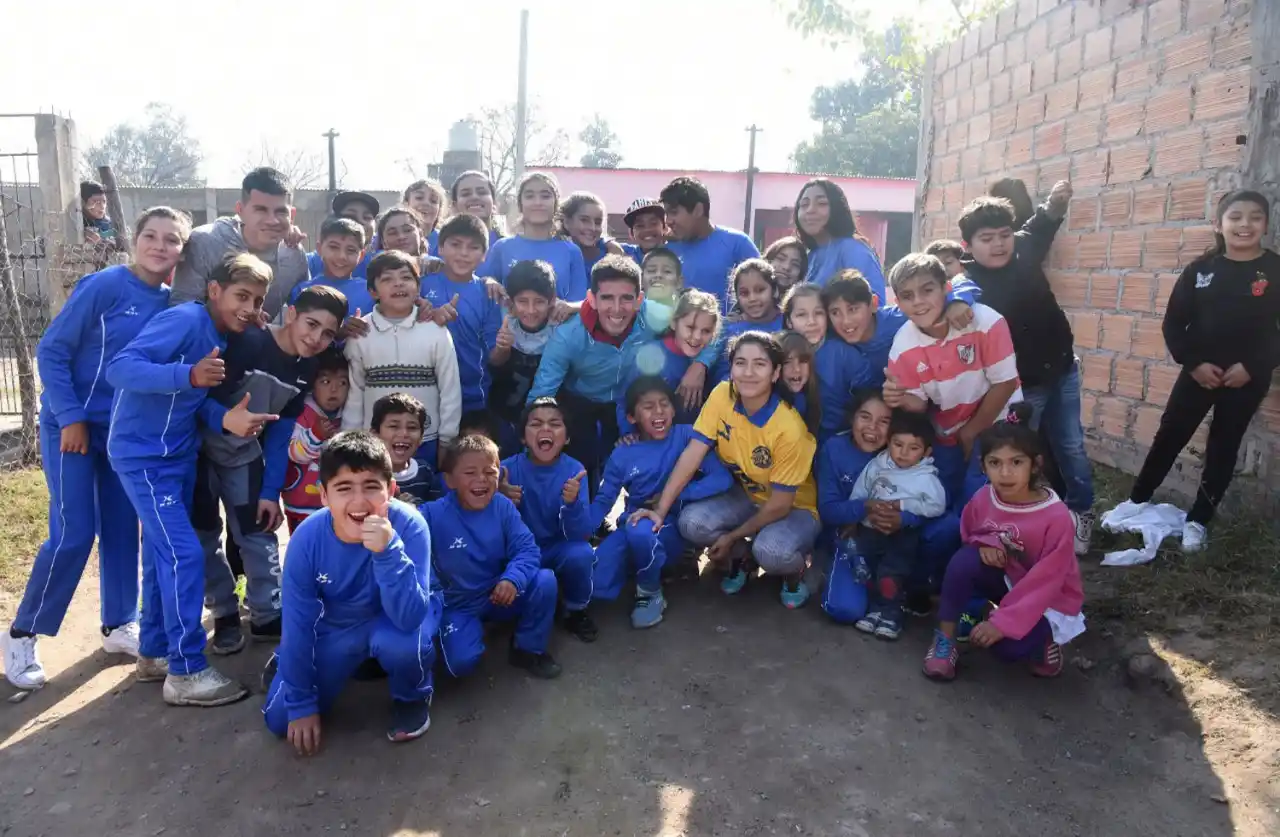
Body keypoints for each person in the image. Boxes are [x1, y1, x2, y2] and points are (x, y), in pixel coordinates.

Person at [4, 207, 190, 691]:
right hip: (73, 429)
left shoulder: (172, 303)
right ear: (135, 239)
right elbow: (53, 351)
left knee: (122, 528)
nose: (159, 245)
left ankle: (118, 624)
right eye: (151, 235)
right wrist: (71, 417)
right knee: (73, 531)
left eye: (171, 239)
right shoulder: (104, 286)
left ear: (182, 250)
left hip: (124, 436)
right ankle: (22, 633)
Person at [106, 253, 279, 706]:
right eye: (241, 295)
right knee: (184, 555)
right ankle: (185, 672)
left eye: (258, 299)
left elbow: (194, 401)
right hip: (144, 455)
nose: (250, 306)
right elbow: (121, 368)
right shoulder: (185, 319)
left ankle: (154, 652)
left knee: (161, 554)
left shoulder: (219, 333)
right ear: (214, 291)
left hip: (177, 454)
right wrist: (189, 373)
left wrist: (227, 421)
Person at [1108, 190, 1280, 552]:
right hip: (1198, 373)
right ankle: (1137, 500)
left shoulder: (1275, 270)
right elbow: (1174, 324)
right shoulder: (1201, 270)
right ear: (1218, 224)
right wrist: (1193, 363)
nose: (1244, 224)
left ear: (1266, 223)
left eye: (1254, 217)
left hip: (1246, 378)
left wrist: (1253, 366)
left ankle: (1199, 520)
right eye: (1235, 217)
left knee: (1223, 445)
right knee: (1171, 433)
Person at [262, 430, 441, 749]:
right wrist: (302, 703)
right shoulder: (306, 540)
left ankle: (411, 697)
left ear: (392, 490)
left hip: (393, 622)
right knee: (280, 720)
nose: (359, 502)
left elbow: (409, 617)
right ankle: (289, 664)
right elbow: (298, 623)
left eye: (372, 486)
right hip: (338, 627)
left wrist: (388, 553)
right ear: (324, 496)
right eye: (344, 488)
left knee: (403, 644)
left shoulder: (411, 525)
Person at [198, 283, 347, 655]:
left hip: (245, 456)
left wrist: (269, 493)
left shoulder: (308, 367)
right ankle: (226, 612)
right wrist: (224, 419)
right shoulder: (249, 343)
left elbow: (281, 431)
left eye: (328, 333)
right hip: (198, 452)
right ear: (292, 313)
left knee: (258, 532)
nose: (316, 338)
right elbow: (196, 398)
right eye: (311, 324)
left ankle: (267, 614)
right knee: (203, 537)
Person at [633, 332, 821, 608]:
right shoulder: (723, 394)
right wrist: (660, 509)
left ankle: (796, 570)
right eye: (740, 362)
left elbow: (781, 505)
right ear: (731, 368)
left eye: (759, 364)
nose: (748, 373)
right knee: (691, 523)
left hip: (795, 508)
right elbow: (693, 454)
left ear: (775, 373)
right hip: (748, 496)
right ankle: (742, 557)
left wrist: (730, 535)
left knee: (771, 551)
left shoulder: (788, 428)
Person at [957, 183, 1095, 554]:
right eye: (987, 238)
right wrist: (956, 303)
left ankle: (1081, 511)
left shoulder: (1026, 249)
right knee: (1020, 453)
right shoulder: (969, 282)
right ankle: (1021, 516)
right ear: (969, 245)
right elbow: (954, 291)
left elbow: (1042, 223)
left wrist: (1057, 202)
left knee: (1071, 446)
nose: (999, 244)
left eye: (1004, 235)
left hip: (1063, 371)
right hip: (1022, 387)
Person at [923, 403, 1084, 682]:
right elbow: (970, 531)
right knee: (964, 561)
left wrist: (1002, 623)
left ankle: (1047, 638)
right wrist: (986, 541)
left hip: (1049, 597)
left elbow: (1048, 579)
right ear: (982, 466)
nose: (1005, 473)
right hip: (1010, 578)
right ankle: (945, 641)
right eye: (995, 463)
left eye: (1016, 462)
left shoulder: (1057, 517)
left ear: (1036, 464)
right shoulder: (985, 497)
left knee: (1006, 649)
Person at [528, 255, 718, 491]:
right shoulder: (568, 336)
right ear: (592, 299)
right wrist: (532, 439)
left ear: (640, 299)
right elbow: (541, 393)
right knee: (581, 459)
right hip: (580, 400)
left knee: (621, 458)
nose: (617, 309)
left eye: (626, 298)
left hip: (626, 401)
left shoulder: (655, 314)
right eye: (607, 298)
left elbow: (714, 328)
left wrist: (700, 365)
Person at [884, 253, 1022, 511]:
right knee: (940, 497)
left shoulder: (985, 321)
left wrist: (972, 431)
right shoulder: (902, 345)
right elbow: (919, 405)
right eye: (907, 296)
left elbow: (1005, 383)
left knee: (979, 498)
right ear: (898, 302)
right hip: (948, 432)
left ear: (947, 288)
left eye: (927, 290)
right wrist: (900, 398)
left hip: (997, 422)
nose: (918, 302)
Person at [591, 377, 732, 628]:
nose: (658, 412)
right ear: (632, 417)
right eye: (648, 406)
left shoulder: (688, 437)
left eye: (664, 404)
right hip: (633, 524)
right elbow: (604, 499)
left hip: (675, 524)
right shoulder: (624, 451)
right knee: (594, 584)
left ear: (674, 409)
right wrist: (578, 530)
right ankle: (650, 566)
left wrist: (677, 494)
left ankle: (650, 593)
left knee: (641, 533)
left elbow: (722, 479)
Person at [422, 435, 563, 679]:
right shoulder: (430, 515)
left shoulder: (502, 506)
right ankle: (456, 637)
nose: (481, 479)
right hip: (457, 604)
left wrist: (512, 579)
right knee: (459, 665)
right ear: (449, 480)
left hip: (497, 594)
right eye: (470, 472)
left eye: (490, 471)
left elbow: (527, 549)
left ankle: (528, 648)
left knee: (545, 581)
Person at [819, 389, 962, 624]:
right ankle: (874, 590)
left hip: (904, 538)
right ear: (852, 418)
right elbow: (829, 509)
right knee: (844, 610)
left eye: (884, 421)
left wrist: (905, 519)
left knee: (947, 527)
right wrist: (864, 509)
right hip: (858, 537)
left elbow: (935, 505)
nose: (872, 429)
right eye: (865, 417)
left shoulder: (916, 459)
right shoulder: (836, 449)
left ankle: (911, 587)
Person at [342, 250, 461, 468]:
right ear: (372, 291)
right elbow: (355, 392)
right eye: (387, 279)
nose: (398, 284)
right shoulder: (361, 334)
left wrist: (447, 439)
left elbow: (449, 389)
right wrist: (351, 438)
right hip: (375, 443)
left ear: (418, 287)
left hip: (425, 441)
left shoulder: (435, 331)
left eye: (406, 278)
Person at [498, 398, 598, 642]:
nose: (545, 430)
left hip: (556, 547)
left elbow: (580, 533)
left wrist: (572, 504)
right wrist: (499, 499)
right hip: (518, 554)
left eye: (555, 424)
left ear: (567, 438)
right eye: (536, 424)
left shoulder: (575, 470)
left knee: (582, 553)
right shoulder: (505, 471)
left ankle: (575, 610)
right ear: (522, 438)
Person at [847, 410, 947, 641]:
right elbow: (860, 491)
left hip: (901, 535)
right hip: (869, 529)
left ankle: (892, 615)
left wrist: (903, 505)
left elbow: (936, 506)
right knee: (870, 570)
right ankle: (874, 611)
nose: (903, 453)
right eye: (898, 444)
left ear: (926, 452)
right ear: (888, 442)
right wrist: (856, 516)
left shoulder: (926, 477)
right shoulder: (877, 465)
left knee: (891, 575)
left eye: (913, 448)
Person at [170, 167, 307, 318]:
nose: (272, 220)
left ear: (292, 215)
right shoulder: (205, 242)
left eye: (281, 212)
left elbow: (306, 311)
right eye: (261, 210)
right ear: (240, 210)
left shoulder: (294, 253)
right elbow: (181, 311)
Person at [420, 214, 504, 413]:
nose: (464, 253)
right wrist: (431, 317)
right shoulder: (422, 284)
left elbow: (495, 357)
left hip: (472, 394)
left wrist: (504, 347)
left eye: (473, 247)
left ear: (484, 255)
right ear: (440, 248)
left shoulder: (488, 293)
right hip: (425, 391)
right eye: (455, 245)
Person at [617, 289, 721, 434]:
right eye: (690, 327)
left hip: (694, 438)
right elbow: (624, 400)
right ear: (673, 323)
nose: (697, 336)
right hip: (654, 440)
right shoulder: (651, 356)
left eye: (706, 331)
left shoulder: (708, 355)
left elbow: (724, 335)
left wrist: (701, 364)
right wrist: (629, 434)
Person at [780, 282, 871, 442]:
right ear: (789, 321)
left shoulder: (842, 353)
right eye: (801, 315)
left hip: (839, 437)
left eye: (818, 313)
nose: (811, 321)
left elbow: (870, 393)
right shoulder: (779, 351)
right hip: (791, 438)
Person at [483, 172, 588, 301]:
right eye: (529, 196)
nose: (538, 202)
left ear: (555, 204)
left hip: (560, 321)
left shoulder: (572, 251)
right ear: (520, 204)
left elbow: (580, 300)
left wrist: (567, 308)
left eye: (545, 196)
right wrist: (489, 281)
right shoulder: (502, 247)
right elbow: (484, 284)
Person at [661, 176, 760, 309]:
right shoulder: (667, 251)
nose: (668, 221)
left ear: (698, 210)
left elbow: (764, 289)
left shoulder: (738, 244)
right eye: (666, 214)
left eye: (674, 212)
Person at [488, 260, 558, 437]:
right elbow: (493, 364)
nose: (531, 310)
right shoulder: (503, 318)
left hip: (545, 419)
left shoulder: (560, 323)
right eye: (523, 301)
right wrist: (502, 349)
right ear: (511, 301)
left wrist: (574, 307)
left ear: (552, 301)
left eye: (539, 302)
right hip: (502, 413)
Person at [282, 348, 349, 532]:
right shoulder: (303, 412)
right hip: (301, 503)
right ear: (313, 383)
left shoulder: (349, 415)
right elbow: (293, 452)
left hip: (334, 505)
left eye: (342, 382)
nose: (334, 389)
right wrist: (315, 435)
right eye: (325, 381)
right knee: (304, 548)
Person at [795, 178, 886, 297]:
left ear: (837, 208)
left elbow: (873, 304)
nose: (810, 210)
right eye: (804, 205)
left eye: (822, 203)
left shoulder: (853, 250)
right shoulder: (810, 256)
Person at [715, 259, 784, 381]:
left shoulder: (788, 323)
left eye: (760, 290)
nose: (752, 298)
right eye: (744, 293)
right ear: (736, 297)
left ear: (775, 291)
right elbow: (721, 375)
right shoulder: (729, 330)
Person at [289, 217, 372, 319]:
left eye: (350, 250)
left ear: (361, 256)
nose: (342, 256)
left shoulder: (371, 292)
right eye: (333, 247)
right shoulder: (302, 290)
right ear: (319, 249)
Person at [371, 393, 436, 505]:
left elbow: (434, 512)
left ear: (421, 438)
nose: (404, 434)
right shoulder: (366, 473)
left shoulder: (425, 471)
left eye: (412, 427)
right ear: (375, 434)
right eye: (394, 426)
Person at [306, 191, 380, 282]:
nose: (360, 221)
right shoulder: (310, 262)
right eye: (350, 216)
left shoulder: (382, 264)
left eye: (367, 217)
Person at [560, 191, 625, 276]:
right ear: (567, 222)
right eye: (584, 220)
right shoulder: (557, 254)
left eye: (598, 222)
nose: (592, 228)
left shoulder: (611, 252)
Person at [776, 330, 819, 434]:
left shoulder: (809, 398)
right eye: (787, 362)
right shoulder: (770, 403)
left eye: (803, 361)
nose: (797, 369)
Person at [450, 171, 504, 248]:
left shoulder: (509, 248)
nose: (474, 197)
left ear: (494, 203)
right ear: (454, 206)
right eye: (466, 194)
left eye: (482, 192)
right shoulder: (442, 247)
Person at [80, 180, 124, 268]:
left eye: (104, 201)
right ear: (83, 203)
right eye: (96, 202)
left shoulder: (110, 224)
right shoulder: (78, 223)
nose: (102, 206)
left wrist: (102, 242)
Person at [404, 178, 447, 256]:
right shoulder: (390, 237)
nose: (426, 203)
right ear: (406, 203)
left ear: (439, 210)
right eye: (419, 198)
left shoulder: (448, 241)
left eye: (433, 201)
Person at [621, 197, 667, 263]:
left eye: (653, 223)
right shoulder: (622, 252)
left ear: (665, 227)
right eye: (640, 225)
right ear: (631, 233)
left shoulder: (678, 252)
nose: (647, 230)